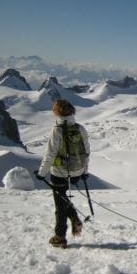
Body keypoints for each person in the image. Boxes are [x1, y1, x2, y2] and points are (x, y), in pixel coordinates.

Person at [35, 99, 90, 248]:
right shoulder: (80, 128)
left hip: (59, 173)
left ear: (57, 112)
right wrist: (84, 171)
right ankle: (74, 218)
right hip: (77, 171)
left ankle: (60, 236)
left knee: (60, 205)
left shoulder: (57, 130)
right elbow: (86, 152)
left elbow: (50, 155)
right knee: (63, 198)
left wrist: (41, 173)